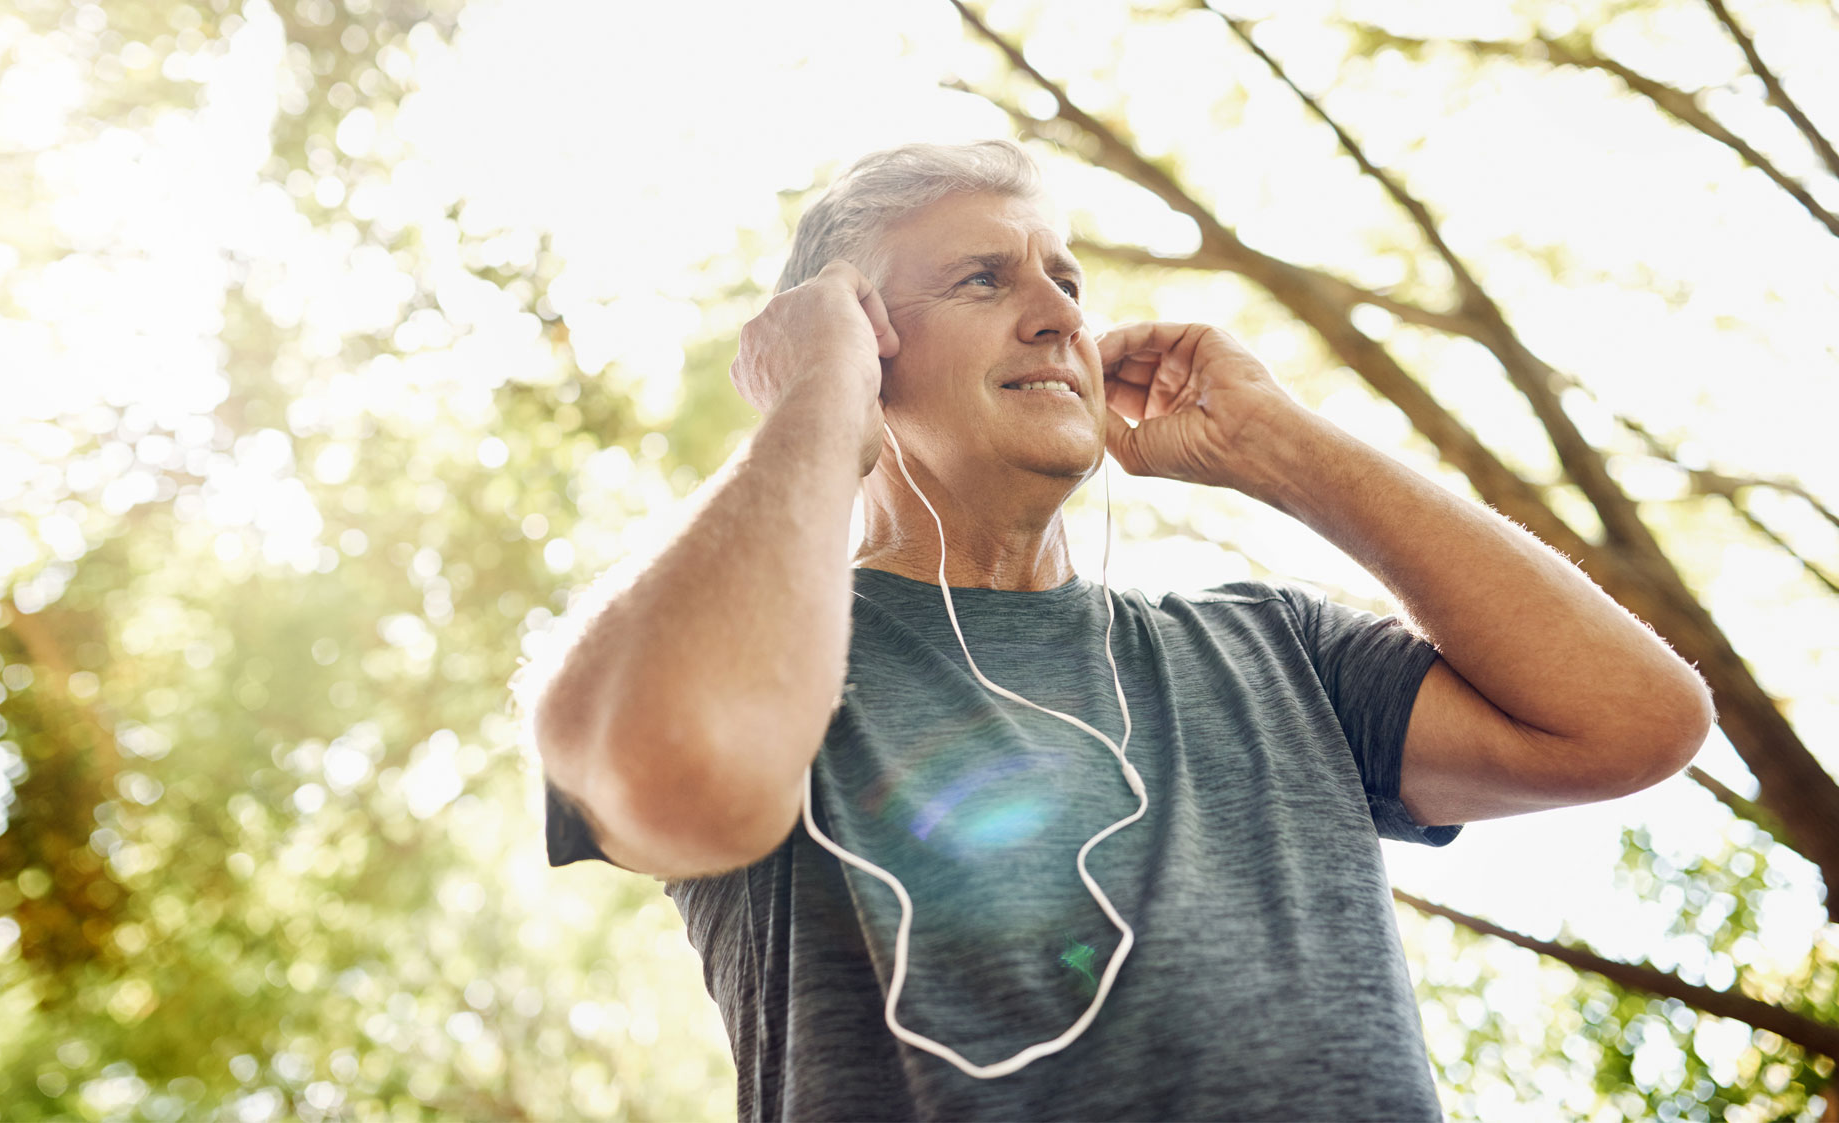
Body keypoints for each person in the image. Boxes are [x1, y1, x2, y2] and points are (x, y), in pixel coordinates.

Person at [522, 139, 1715, 1121]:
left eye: (1067, 282)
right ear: (853, 340)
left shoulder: (1274, 650)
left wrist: (1278, 445)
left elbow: (1632, 722)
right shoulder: (771, 663)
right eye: (983, 280)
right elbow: (667, 772)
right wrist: (817, 402)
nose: (1056, 317)